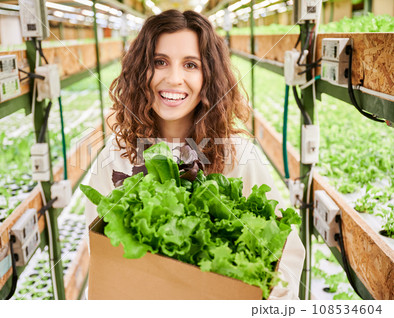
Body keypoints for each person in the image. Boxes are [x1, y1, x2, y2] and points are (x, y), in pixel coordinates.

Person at [85, 9, 305, 300]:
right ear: (140, 71)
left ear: (209, 77)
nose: (174, 78)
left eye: (191, 65)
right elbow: (102, 261)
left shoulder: (239, 155)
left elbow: (285, 258)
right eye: (159, 62)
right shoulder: (115, 155)